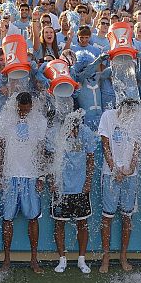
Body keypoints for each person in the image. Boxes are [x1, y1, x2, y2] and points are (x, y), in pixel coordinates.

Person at [0, 92, 47, 273]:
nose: (23, 112)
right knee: (7, 218)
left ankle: (34, 259)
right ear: (16, 105)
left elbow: (41, 150)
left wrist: (41, 176)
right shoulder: (5, 118)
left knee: (33, 218)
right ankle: (6, 260)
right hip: (10, 175)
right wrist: (0, 174)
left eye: (27, 109)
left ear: (31, 106)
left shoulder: (39, 120)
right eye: (21, 109)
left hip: (31, 175)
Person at [48, 109, 96, 274]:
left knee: (82, 223)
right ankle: (62, 259)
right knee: (59, 223)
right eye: (71, 127)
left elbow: (91, 158)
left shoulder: (86, 132)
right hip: (61, 187)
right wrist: (52, 180)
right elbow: (50, 158)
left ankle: (82, 260)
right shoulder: (55, 133)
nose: (74, 131)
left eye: (77, 127)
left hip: (80, 186)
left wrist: (88, 182)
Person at [98, 98, 140, 273]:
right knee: (107, 217)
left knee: (127, 217)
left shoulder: (137, 121)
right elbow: (105, 145)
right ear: (120, 108)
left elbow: (137, 148)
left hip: (131, 175)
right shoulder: (108, 116)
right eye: (126, 112)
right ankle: (106, 256)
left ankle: (123, 255)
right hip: (110, 174)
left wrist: (130, 168)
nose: (128, 116)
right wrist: (114, 168)